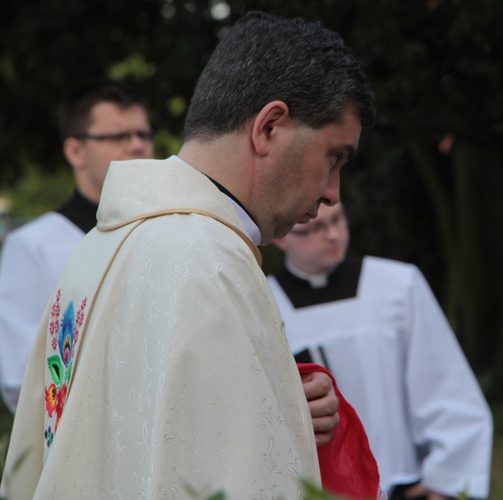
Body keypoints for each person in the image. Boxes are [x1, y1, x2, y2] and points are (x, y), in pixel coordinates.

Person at [0, 10, 375, 499]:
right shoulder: (204, 260)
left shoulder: (101, 246)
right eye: (333, 157)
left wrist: (279, 407)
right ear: (269, 128)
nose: (332, 193)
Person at [268, 201, 494, 499]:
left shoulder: (398, 286)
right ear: (282, 237)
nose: (334, 235)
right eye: (315, 228)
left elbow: (446, 388)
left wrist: (446, 481)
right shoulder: (265, 302)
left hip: (401, 482)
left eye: (338, 220)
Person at [0, 79, 154, 414]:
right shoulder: (33, 246)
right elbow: (21, 379)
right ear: (75, 151)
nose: (137, 145)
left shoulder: (165, 233)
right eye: (118, 136)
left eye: (144, 134)